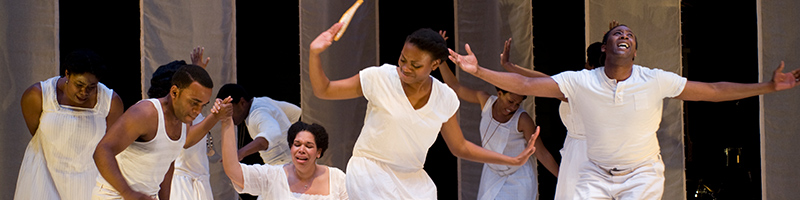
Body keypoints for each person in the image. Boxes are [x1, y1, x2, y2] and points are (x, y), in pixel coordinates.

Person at [448, 23, 800, 199]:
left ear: (635, 50)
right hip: (592, 170)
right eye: (618, 32)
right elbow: (528, 85)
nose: (625, 35)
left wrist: (767, 86)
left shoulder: (654, 79)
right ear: (604, 48)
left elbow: (712, 90)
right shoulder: (580, 82)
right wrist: (479, 70)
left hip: (641, 172)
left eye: (630, 34)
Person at [309, 23, 539, 199]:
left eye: (416, 65)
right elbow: (324, 90)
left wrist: (511, 159)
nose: (406, 68)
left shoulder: (445, 97)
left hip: (413, 179)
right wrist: (314, 53)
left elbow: (460, 147)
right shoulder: (379, 77)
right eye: (403, 60)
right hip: (370, 171)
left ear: (435, 65)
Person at [437, 32, 558, 200]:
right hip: (492, 173)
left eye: (518, 103)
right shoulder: (484, 100)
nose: (513, 107)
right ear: (500, 93)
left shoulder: (522, 120)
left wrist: (562, 177)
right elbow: (455, 87)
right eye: (510, 101)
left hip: (518, 178)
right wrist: (441, 57)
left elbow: (541, 153)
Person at [92, 64, 219, 200]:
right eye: (194, 102)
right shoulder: (145, 113)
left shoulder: (183, 122)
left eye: (203, 105)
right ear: (174, 92)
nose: (198, 111)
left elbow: (168, 164)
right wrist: (128, 193)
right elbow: (102, 151)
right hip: (114, 195)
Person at [14, 49, 125, 200]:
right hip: (44, 175)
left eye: (92, 87)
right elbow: (36, 133)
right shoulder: (38, 95)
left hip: (89, 179)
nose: (84, 92)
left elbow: (112, 147)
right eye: (79, 84)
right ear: (67, 74)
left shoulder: (110, 102)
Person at [146, 47, 222, 200]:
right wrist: (215, 116)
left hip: (198, 180)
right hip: (181, 185)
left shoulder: (190, 107)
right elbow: (186, 140)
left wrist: (197, 72)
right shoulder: (177, 112)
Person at [219, 115, 348, 200]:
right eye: (297, 145)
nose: (301, 150)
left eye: (308, 146)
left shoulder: (337, 178)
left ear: (319, 152)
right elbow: (233, 171)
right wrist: (226, 122)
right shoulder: (273, 175)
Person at [215, 83, 302, 165]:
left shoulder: (257, 114)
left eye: (230, 110)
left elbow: (273, 133)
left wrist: (239, 153)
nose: (227, 115)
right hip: (292, 161)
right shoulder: (262, 101)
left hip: (283, 166)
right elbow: (295, 112)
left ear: (242, 102)